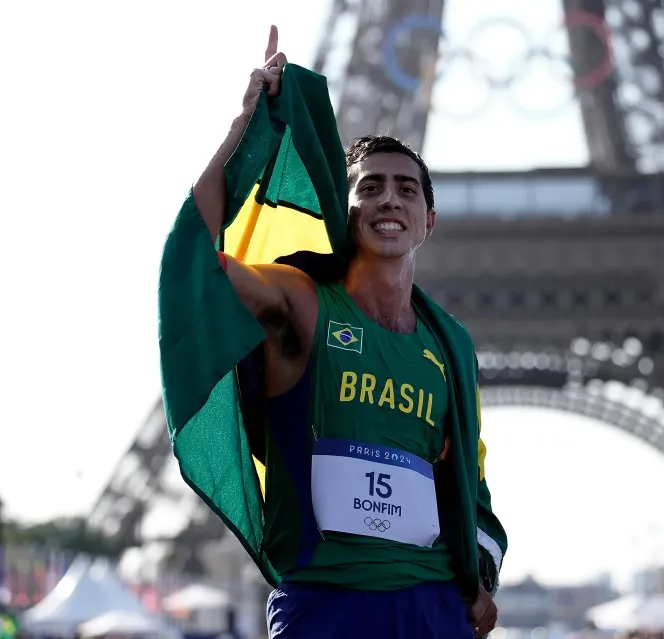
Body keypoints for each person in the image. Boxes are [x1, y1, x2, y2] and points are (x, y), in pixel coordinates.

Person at [188, 26, 504, 639]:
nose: (389, 199)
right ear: (347, 208)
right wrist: (245, 128)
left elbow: (469, 476)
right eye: (370, 186)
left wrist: (479, 578)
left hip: (431, 600)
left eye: (406, 189)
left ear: (428, 220)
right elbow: (202, 259)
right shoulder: (303, 302)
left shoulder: (451, 346)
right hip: (326, 599)